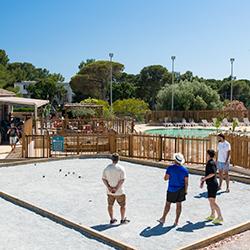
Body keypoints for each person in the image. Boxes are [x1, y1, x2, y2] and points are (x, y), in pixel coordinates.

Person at [158, 153, 189, 226]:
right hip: (181, 189)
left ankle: (163, 218)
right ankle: (176, 221)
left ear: (175, 160)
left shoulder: (170, 168)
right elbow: (186, 182)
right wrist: (186, 191)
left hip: (171, 189)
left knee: (168, 204)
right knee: (179, 205)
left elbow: (165, 178)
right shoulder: (185, 170)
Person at [102, 153, 130, 224]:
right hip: (119, 192)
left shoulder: (107, 168)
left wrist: (109, 187)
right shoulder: (121, 168)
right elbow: (122, 180)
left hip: (109, 191)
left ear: (111, 159)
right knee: (123, 205)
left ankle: (112, 219)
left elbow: (103, 179)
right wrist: (116, 188)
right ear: (118, 159)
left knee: (110, 205)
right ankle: (122, 219)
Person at [200, 149, 223, 225]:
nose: (205, 156)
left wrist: (204, 178)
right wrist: (204, 179)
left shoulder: (211, 163)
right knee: (211, 201)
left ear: (209, 155)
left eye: (206, 154)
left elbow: (212, 173)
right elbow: (209, 174)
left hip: (212, 184)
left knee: (212, 201)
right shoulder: (210, 163)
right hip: (210, 184)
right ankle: (213, 215)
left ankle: (220, 217)